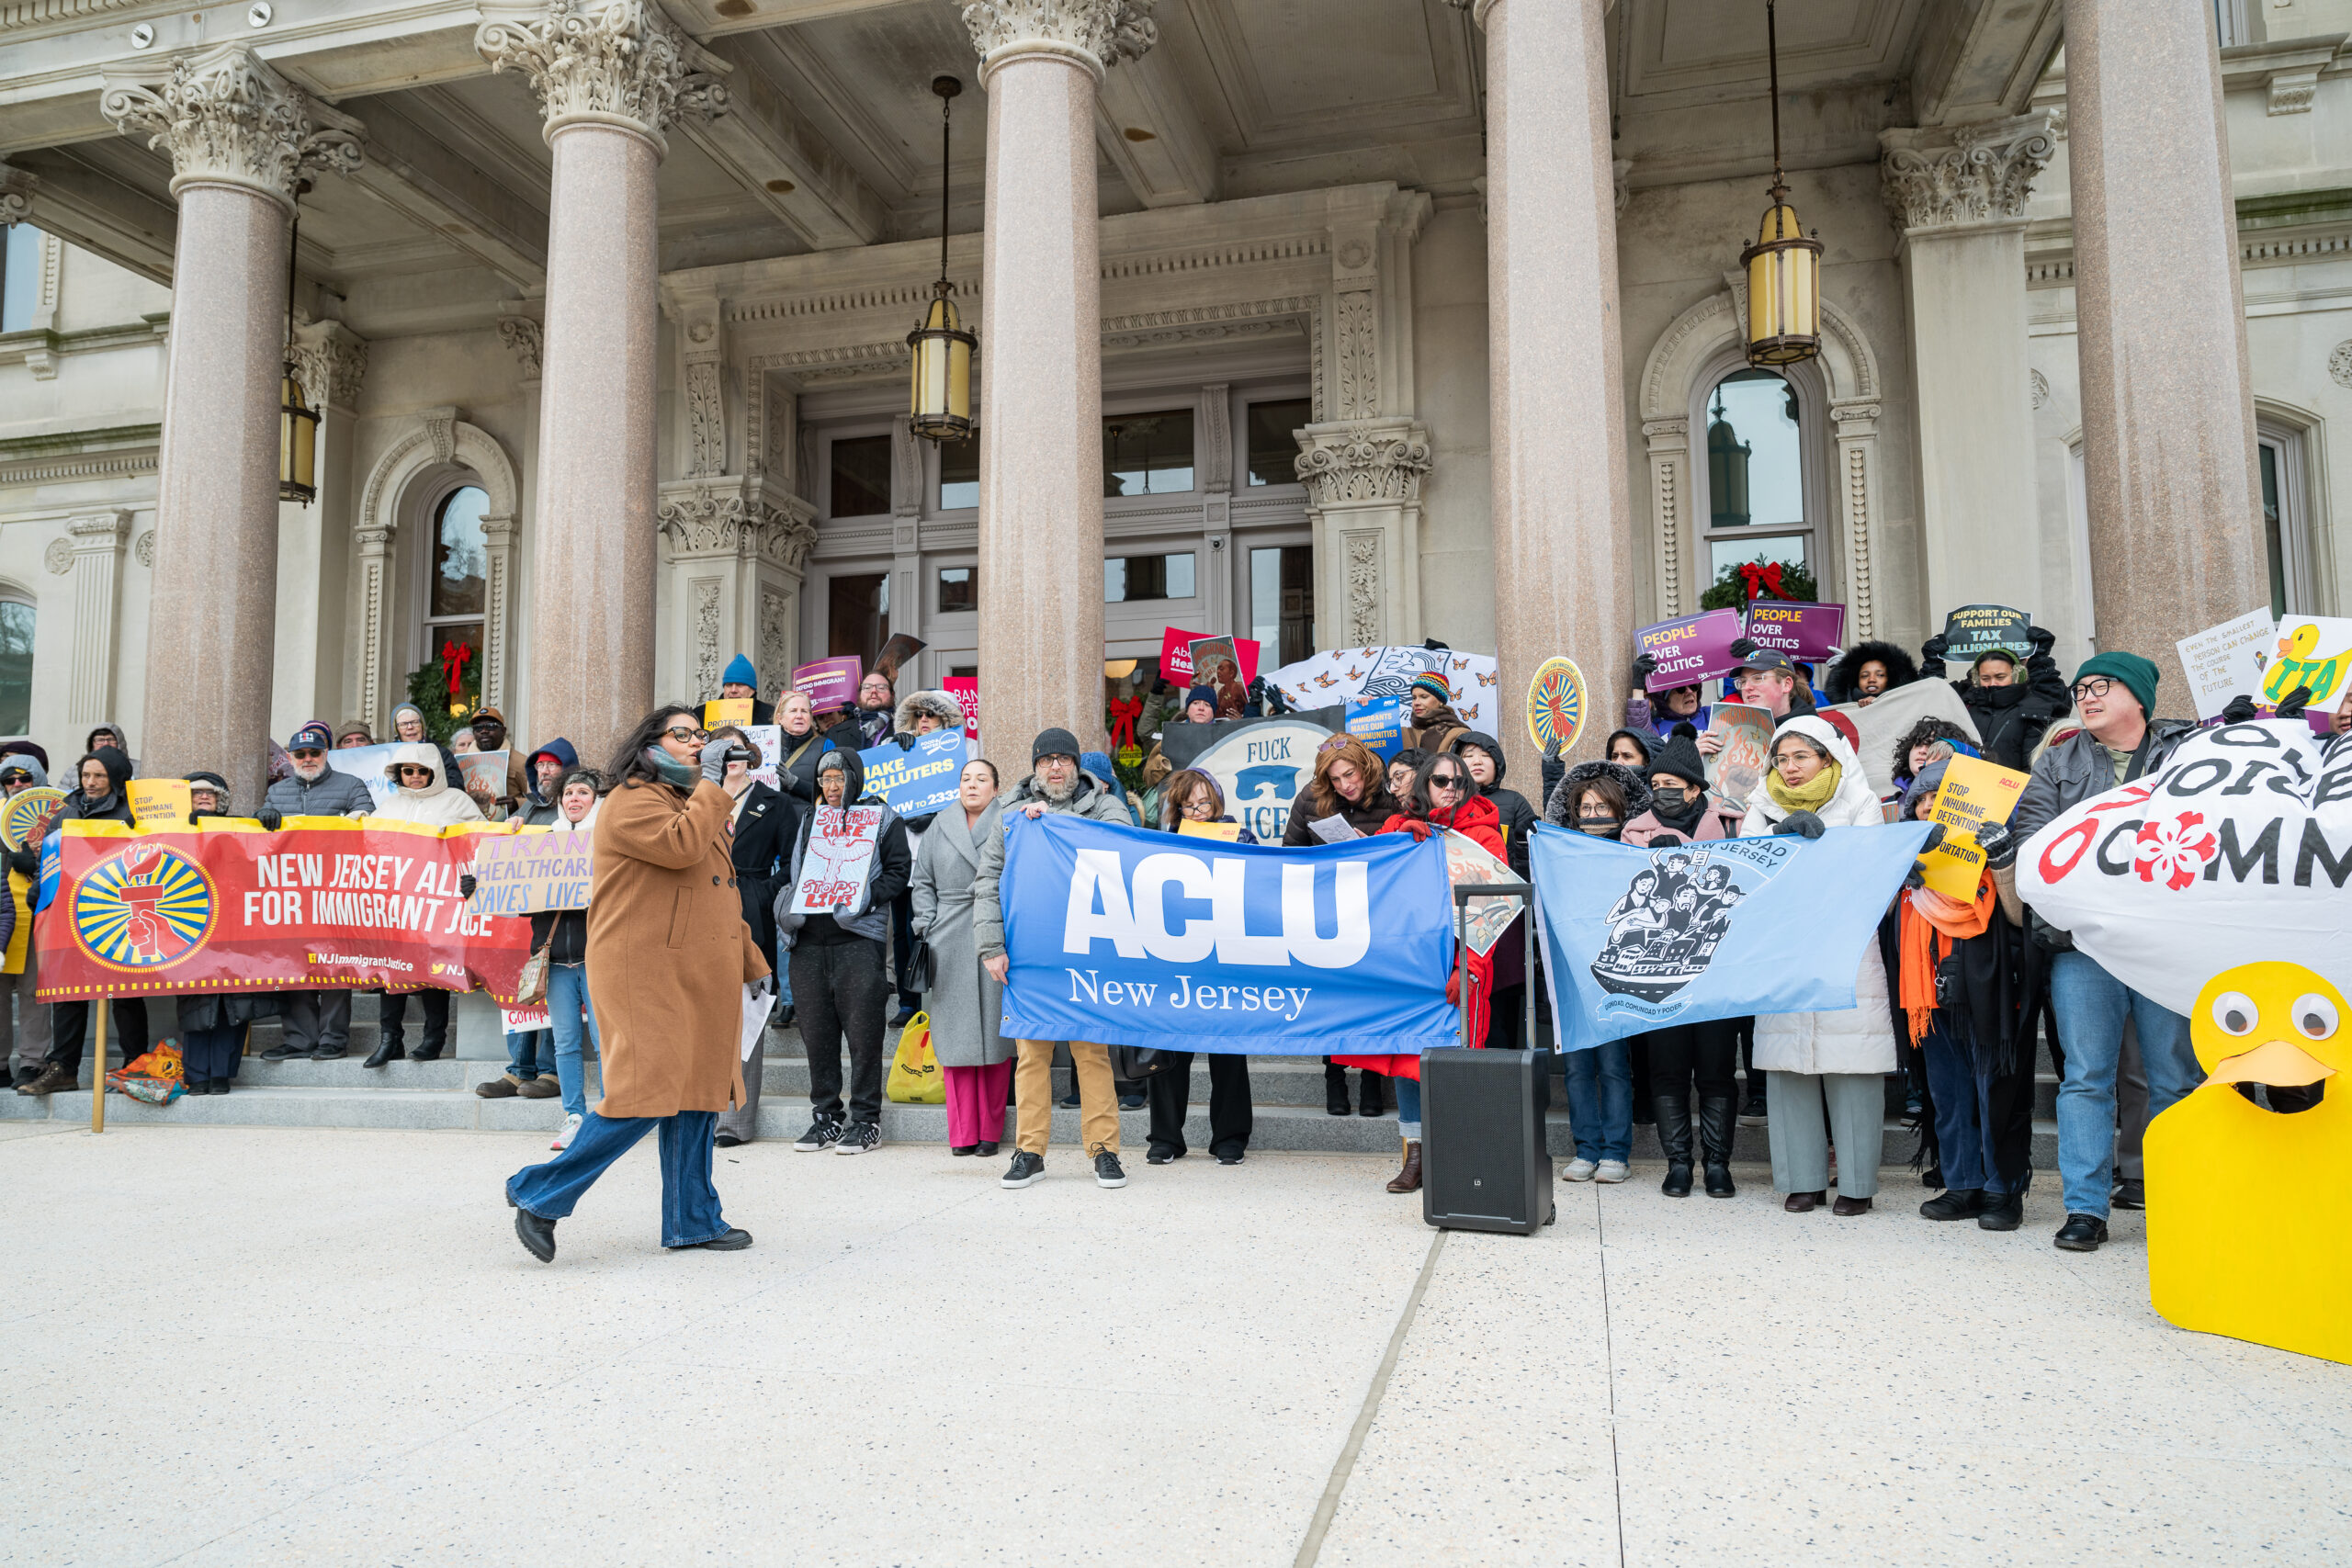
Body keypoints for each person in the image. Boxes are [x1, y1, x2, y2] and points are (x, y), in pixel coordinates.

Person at [504, 707, 767, 1262]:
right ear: (651, 744)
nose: (697, 743)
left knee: (697, 1092)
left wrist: (751, 962)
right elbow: (681, 848)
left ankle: (693, 1220)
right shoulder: (631, 799)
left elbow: (716, 888)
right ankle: (540, 1192)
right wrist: (717, 785)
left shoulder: (690, 798)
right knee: (645, 1091)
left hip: (696, 968)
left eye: (700, 734)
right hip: (641, 969)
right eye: (683, 734)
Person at [2010, 651, 2199, 1253]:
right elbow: (2031, 838)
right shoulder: (2058, 761)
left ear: (2138, 697)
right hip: (2082, 943)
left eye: (2102, 686)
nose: (2086, 696)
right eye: (2080, 687)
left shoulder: (2190, 752)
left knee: (2176, 1076)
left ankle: (2180, 1197)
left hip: (2166, 942)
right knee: (2087, 1076)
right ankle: (2085, 1208)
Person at [1740, 716, 1898, 1215]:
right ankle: (1801, 1179)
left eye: (1800, 757)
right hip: (1784, 948)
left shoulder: (1860, 801)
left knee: (1852, 1065)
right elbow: (1747, 877)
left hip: (1844, 947)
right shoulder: (1759, 805)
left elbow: (1868, 876)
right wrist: (1780, 845)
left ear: (1829, 758)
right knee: (1789, 1069)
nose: (1788, 768)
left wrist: (1818, 847)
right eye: (1781, 758)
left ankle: (1856, 1184)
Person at [973, 728, 1137, 1190]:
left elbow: (1125, 848)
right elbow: (987, 882)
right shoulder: (1009, 816)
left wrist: (1057, 826)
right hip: (1028, 955)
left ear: (1077, 766)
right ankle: (1030, 1151)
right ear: (1035, 768)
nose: (1056, 767)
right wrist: (991, 946)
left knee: (1093, 1054)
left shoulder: (1103, 804)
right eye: (1046, 761)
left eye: (1064, 759)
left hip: (1087, 953)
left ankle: (1104, 1150)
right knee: (1031, 1057)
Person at [1333, 751, 1503, 1193]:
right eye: (1442, 780)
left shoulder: (1485, 834)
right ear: (1425, 783)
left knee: (1451, 1065)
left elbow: (1494, 907)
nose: (1451, 787)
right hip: (1407, 969)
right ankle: (1415, 1158)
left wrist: (1469, 967)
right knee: (1408, 1063)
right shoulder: (1396, 827)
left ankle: (1452, 1156)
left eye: (1459, 781)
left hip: (1457, 966)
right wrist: (1397, 845)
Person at [1890, 760, 2040, 1232]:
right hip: (1928, 997)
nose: (1930, 810)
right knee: (1949, 1095)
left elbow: (2019, 919)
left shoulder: (1998, 850)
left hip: (1986, 994)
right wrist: (1898, 883)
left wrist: (2002, 862)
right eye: (1921, 805)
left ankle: (2003, 1189)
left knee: (1993, 1090)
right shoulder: (1904, 861)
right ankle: (1962, 1184)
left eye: (1940, 803)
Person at [775, 747, 910, 1156]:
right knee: (817, 1035)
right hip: (809, 942)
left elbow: (899, 873)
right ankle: (827, 1117)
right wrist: (783, 901)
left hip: (857, 942)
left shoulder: (882, 817)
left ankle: (866, 1121)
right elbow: (796, 869)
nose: (832, 787)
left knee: (864, 1037)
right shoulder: (810, 818)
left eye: (838, 778)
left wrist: (867, 898)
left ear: (855, 777)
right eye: (825, 779)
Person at [15, 744, 149, 1096]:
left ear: (116, 779)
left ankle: (135, 1064)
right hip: (69, 914)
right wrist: (38, 893)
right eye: (86, 774)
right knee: (68, 992)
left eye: (99, 776)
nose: (90, 782)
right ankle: (64, 1068)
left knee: (127, 993)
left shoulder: (130, 813)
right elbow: (50, 859)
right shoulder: (66, 812)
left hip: (116, 915)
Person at [1139, 770, 1258, 1167]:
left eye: (1204, 802)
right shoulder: (1163, 839)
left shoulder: (1240, 835)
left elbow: (1261, 883)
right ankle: (1165, 1138)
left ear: (1218, 802)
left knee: (1228, 1050)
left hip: (1226, 954)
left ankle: (1230, 1137)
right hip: (1176, 954)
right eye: (1188, 804)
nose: (1197, 810)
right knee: (1170, 1047)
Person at [1544, 760, 1654, 1182]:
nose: (1594, 815)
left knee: (1612, 1065)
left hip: (1615, 974)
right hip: (1571, 973)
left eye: (1602, 807)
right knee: (1576, 1068)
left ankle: (1616, 1154)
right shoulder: (1561, 853)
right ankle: (1585, 1150)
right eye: (1585, 808)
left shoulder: (1633, 855)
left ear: (1621, 809)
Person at [358, 745, 493, 1084]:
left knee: (435, 968)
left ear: (434, 771)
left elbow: (480, 841)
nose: (415, 776)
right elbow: (366, 842)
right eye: (408, 771)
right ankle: (391, 1039)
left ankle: (434, 1037)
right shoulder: (390, 805)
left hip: (439, 899)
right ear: (398, 774)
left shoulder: (457, 801)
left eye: (422, 770)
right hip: (397, 905)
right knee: (392, 971)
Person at [243, 722, 374, 1070]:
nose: (307, 758)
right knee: (293, 963)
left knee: (334, 967)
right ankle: (299, 1039)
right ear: (290, 757)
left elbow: (369, 825)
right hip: (292, 897)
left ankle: (333, 1039)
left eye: (314, 752)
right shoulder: (277, 792)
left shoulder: (351, 785)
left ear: (326, 753)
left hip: (335, 893)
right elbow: (262, 844)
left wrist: (355, 819)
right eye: (300, 754)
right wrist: (262, 818)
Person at [1283, 736, 1399, 1118]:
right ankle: (1333, 1077)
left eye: (1350, 775)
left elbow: (1410, 848)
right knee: (1331, 998)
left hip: (1376, 913)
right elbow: (1291, 854)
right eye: (1335, 780)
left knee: (1370, 998)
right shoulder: (1310, 798)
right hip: (1327, 910)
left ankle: (1370, 1082)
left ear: (1364, 768)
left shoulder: (1390, 794)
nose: (1345, 785)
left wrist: (1376, 845)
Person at [910, 759, 1014, 1157]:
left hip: (995, 930)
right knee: (956, 1040)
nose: (972, 786)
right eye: (966, 779)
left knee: (995, 1037)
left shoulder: (1009, 820)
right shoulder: (940, 824)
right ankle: (962, 1134)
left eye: (982, 779)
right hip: (948, 935)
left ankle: (990, 1132)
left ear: (995, 787)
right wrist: (927, 924)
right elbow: (922, 881)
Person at [711, 725, 797, 1148]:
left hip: (752, 912)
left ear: (752, 755)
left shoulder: (775, 803)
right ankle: (698, 1117)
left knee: (749, 1012)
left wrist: (764, 890)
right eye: (722, 751)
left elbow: (793, 861)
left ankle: (735, 1123)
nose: (730, 758)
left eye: (737, 750)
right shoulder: (695, 800)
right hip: (702, 912)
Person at [175, 773, 284, 1095]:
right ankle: (197, 1076)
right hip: (191, 927)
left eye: (211, 793)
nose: (204, 797)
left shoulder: (241, 826)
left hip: (237, 925)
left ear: (221, 800)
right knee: (196, 1003)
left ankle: (221, 1074)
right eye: (197, 794)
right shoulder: (172, 830)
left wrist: (265, 822)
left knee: (232, 1006)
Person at [527, 767, 604, 1151]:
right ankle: (575, 1116)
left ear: (595, 801)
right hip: (556, 961)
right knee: (566, 1043)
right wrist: (479, 888)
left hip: (597, 959)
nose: (574, 799)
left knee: (604, 1039)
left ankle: (610, 1114)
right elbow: (520, 902)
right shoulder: (542, 842)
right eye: (568, 793)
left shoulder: (607, 841)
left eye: (583, 793)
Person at [882, 690, 969, 1027]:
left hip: (940, 857)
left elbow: (970, 793)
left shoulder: (964, 748)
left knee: (929, 930)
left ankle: (939, 1001)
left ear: (946, 719)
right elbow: (883, 790)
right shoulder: (902, 747)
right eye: (918, 716)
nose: (924, 722)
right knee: (902, 933)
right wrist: (894, 749)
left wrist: (934, 818)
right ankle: (908, 1002)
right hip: (902, 856)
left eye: (930, 716)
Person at [1920, 626, 2071, 771]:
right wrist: (1932, 665)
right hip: (1960, 791)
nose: (1993, 684)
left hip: (2016, 792)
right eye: (1986, 678)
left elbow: (2054, 698)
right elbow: (1933, 700)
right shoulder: (1965, 700)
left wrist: (2041, 660)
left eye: (2000, 677)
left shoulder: (2033, 706)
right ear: (1977, 679)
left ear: (2017, 675)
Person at [0, 754, 49, 1089]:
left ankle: (32, 1061)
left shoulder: (58, 815)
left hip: (37, 915)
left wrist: (35, 864)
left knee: (33, 991)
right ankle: (0, 1063)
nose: (17, 785)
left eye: (25, 779)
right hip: (2, 917)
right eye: (9, 780)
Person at [391, 702, 464, 792]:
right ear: (396, 731)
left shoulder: (442, 754)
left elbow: (456, 787)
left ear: (422, 726)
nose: (410, 727)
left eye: (415, 722)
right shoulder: (389, 757)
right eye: (403, 724)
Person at [1823, 641, 1920, 707]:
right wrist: (1842, 669)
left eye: (1880, 675)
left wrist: (1879, 702)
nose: (1871, 679)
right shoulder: (1838, 707)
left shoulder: (1908, 705)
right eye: (1865, 676)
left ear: (1890, 679)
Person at [826, 669, 898, 752]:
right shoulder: (835, 733)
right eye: (867, 687)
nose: (874, 691)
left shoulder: (903, 729)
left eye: (881, 688)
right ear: (859, 695)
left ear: (892, 695)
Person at [1401, 671, 1471, 758]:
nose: (1416, 703)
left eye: (1424, 697)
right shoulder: (1400, 733)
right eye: (1414, 698)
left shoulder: (1459, 734)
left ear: (1440, 701)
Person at [713, 653, 775, 725]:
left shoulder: (770, 716)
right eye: (729, 685)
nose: (733, 690)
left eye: (740, 685)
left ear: (752, 690)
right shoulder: (703, 714)